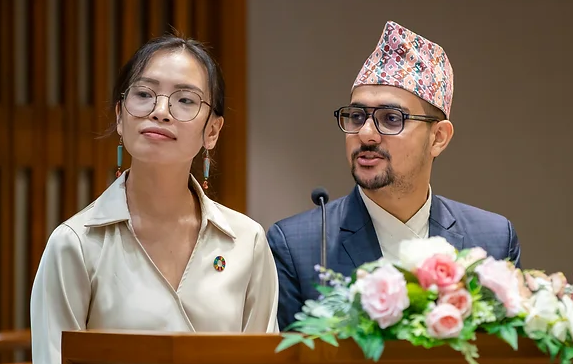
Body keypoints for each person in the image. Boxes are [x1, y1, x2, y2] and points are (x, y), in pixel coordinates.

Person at [30, 34, 279, 364]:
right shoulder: (75, 244)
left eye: (186, 100)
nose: (160, 111)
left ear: (213, 131)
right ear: (120, 116)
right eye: (144, 94)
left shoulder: (247, 242)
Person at [267, 20, 521, 330]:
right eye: (356, 116)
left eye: (391, 118)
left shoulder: (491, 241)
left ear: (438, 137)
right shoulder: (298, 246)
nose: (367, 134)